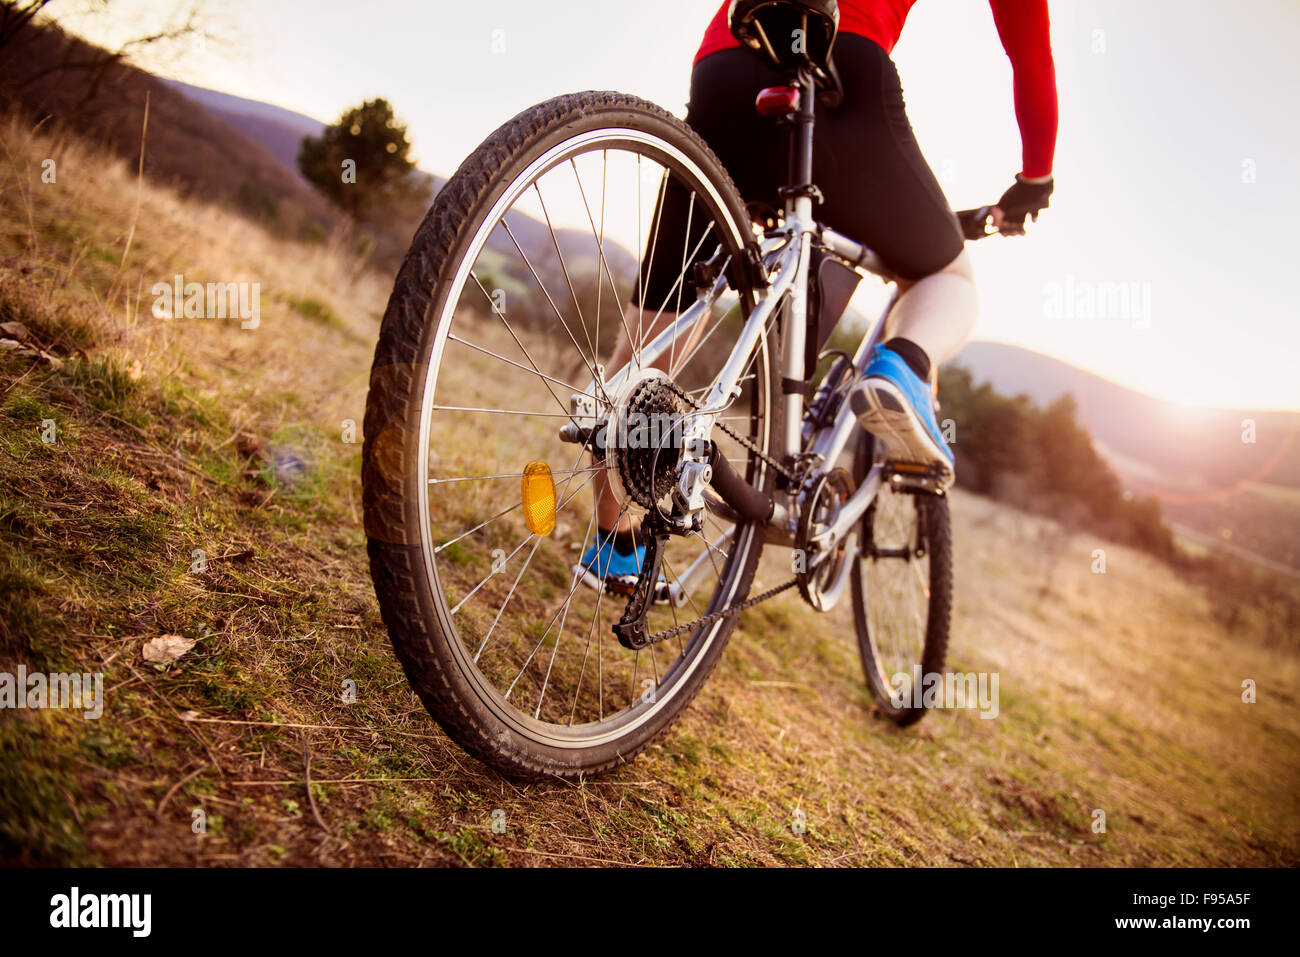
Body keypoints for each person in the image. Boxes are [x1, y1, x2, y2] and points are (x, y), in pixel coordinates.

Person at [580, 0, 1058, 591]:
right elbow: (1028, 49)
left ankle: (614, 546)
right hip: (839, 72)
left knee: (661, 321)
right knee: (946, 279)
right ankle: (901, 366)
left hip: (727, 65)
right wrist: (1036, 178)